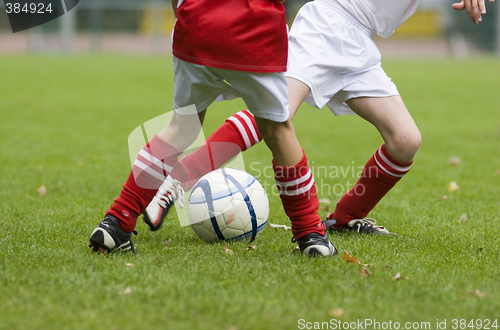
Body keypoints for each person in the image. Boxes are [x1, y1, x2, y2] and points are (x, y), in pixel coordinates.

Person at [141, 0, 494, 236]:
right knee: (273, 117)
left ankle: (345, 218)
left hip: (359, 41)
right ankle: (180, 179)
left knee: (405, 141)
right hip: (328, 21)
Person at [88, 0, 337, 256]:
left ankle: (117, 221)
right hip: (254, 29)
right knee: (278, 131)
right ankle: (311, 234)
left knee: (181, 128)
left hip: (196, 23)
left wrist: (184, 14)